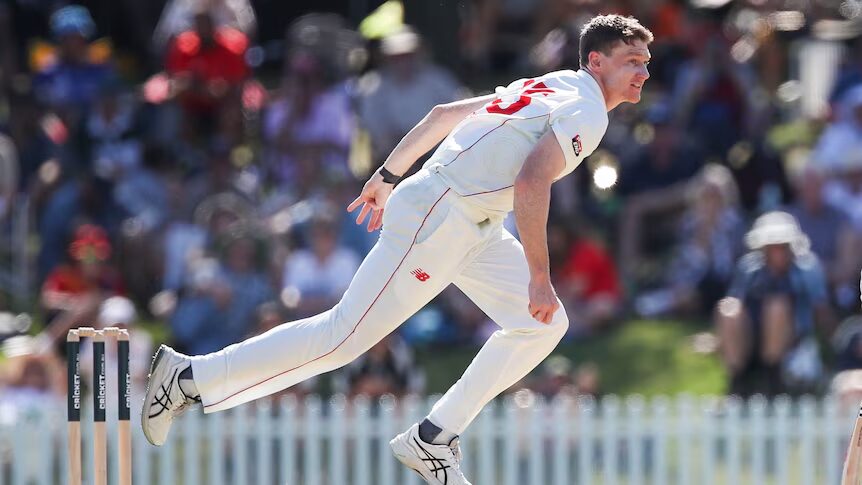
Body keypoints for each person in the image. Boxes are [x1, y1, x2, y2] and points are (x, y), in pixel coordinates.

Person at [141, 14, 653, 485]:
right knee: (341, 338)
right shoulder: (587, 108)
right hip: (443, 216)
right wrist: (540, 276)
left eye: (646, 62)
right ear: (595, 61)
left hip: (466, 218)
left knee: (543, 323)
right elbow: (531, 182)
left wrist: (389, 174)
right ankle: (188, 378)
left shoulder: (552, 84)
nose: (643, 72)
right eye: (631, 61)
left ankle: (433, 438)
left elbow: (443, 114)